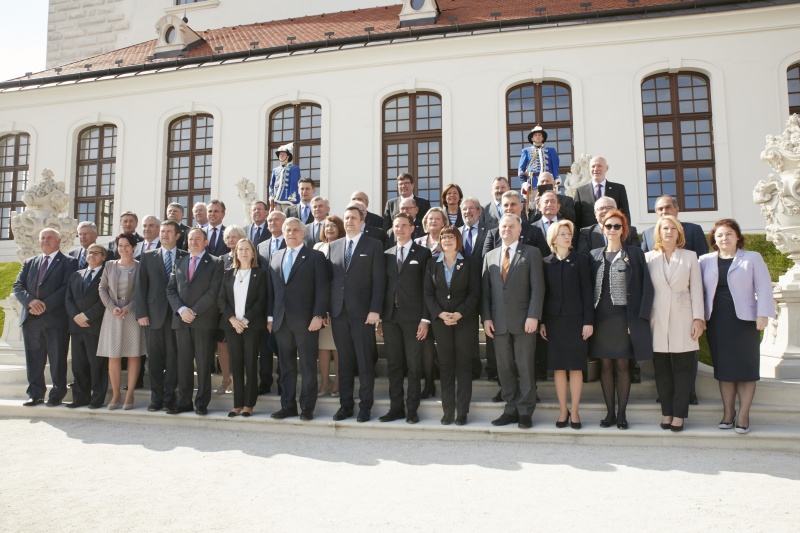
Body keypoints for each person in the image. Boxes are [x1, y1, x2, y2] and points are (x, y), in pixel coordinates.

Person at [699, 219, 775, 434]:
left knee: (746, 368)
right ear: (714, 239)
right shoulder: (704, 260)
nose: (724, 238)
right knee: (725, 369)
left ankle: (743, 414)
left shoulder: (752, 258)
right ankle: (728, 412)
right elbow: (699, 292)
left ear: (738, 237)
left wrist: (764, 315)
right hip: (717, 321)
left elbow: (764, 287)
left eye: (729, 234)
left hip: (745, 320)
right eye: (720, 235)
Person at [589, 209, 654, 430]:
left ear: (623, 229)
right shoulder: (594, 254)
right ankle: (609, 413)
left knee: (623, 365)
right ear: (602, 229)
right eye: (609, 226)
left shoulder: (635, 254)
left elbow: (646, 288)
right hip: (601, 318)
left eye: (617, 226)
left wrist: (638, 320)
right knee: (605, 366)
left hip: (624, 318)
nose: (613, 230)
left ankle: (622, 414)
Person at [642, 194, 709, 404]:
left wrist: (699, 315)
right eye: (660, 209)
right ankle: (665, 394)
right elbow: (646, 278)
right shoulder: (646, 236)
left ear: (676, 209)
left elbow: (701, 272)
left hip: (683, 308)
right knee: (661, 357)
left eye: (667, 207)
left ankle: (688, 392)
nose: (664, 212)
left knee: (685, 355)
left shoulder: (693, 231)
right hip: (659, 310)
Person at [482, 215, 545, 429]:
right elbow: (486, 292)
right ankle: (510, 408)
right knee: (504, 367)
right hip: (498, 322)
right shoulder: (490, 256)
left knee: (525, 366)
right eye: (503, 226)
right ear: (498, 230)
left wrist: (534, 316)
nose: (507, 229)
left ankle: (525, 411)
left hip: (524, 320)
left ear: (520, 230)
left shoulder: (531, 252)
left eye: (511, 226)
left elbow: (538, 287)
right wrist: (487, 318)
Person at [267, 217, 330, 421]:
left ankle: (307, 407)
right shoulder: (275, 257)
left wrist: (318, 315)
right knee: (285, 367)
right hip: (281, 320)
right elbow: (272, 291)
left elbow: (322, 288)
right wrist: (270, 317)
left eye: (295, 230)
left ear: (303, 234)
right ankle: (288, 406)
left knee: (307, 365)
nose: (291, 233)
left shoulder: (315, 256)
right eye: (288, 230)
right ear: (283, 233)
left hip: (306, 320)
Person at [328, 205, 385, 422]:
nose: (349, 221)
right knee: (344, 361)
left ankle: (365, 406)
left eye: (353, 218)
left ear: (363, 221)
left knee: (363, 361)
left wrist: (375, 310)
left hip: (363, 313)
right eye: (346, 217)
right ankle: (345, 405)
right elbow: (331, 280)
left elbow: (379, 281)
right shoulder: (334, 246)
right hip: (338, 312)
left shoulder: (374, 245)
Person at [14, 229, 78, 407]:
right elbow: (18, 286)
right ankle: (35, 394)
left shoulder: (69, 262)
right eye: (42, 238)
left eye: (49, 238)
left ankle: (57, 394)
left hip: (55, 319)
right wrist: (30, 302)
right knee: (34, 358)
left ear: (59, 241)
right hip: (31, 319)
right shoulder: (29, 262)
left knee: (58, 359)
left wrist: (44, 305)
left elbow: (67, 287)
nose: (45, 241)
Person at [379, 213, 432, 424]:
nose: (399, 229)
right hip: (391, 318)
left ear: (412, 228)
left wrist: (425, 319)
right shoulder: (387, 254)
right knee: (394, 365)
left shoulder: (424, 253)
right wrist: (382, 319)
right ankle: (396, 408)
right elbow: (384, 288)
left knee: (413, 366)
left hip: (414, 319)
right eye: (396, 226)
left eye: (403, 225)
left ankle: (412, 409)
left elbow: (428, 289)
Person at [540, 220, 593, 429]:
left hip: (576, 320)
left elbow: (587, 293)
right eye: (562, 234)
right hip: (554, 321)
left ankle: (576, 411)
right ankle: (563, 410)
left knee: (576, 367)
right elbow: (543, 295)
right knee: (559, 368)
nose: (567, 237)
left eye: (568, 233)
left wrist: (588, 321)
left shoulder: (580, 260)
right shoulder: (545, 262)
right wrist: (543, 321)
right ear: (553, 238)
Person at [424, 225, 480, 426]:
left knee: (463, 366)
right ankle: (448, 411)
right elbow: (428, 293)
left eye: (451, 237)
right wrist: (439, 313)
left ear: (458, 240)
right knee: (446, 366)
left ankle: (462, 412)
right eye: (444, 237)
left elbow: (475, 292)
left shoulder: (471, 263)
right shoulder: (432, 263)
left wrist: (460, 313)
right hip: (442, 321)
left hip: (464, 320)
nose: (447, 240)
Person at [166, 227, 224, 415]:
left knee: (204, 363)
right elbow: (171, 290)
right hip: (181, 321)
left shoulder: (216, 263)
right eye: (191, 239)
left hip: (204, 321)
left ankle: (201, 403)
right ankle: (184, 402)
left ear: (206, 242)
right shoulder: (179, 262)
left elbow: (213, 291)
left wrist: (194, 311)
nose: (194, 242)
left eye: (198, 239)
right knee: (183, 364)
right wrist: (182, 310)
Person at [135, 220, 188, 412]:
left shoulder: (186, 256)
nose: (164, 234)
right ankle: (156, 398)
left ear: (177, 235)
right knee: (155, 359)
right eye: (162, 231)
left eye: (169, 231)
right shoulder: (148, 257)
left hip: (177, 316)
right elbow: (140, 287)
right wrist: (141, 313)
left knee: (174, 358)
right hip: (153, 316)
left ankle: (169, 397)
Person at [97, 233, 146, 410]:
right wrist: (112, 307)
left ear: (134, 247)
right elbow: (102, 289)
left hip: (132, 315)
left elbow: (142, 291)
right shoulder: (109, 265)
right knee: (114, 355)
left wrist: (128, 308)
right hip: (112, 315)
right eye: (120, 245)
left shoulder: (141, 266)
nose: (123, 248)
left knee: (133, 354)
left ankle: (130, 393)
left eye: (127, 245)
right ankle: (116, 394)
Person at [218, 239, 267, 417]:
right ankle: (237, 403)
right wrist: (232, 319)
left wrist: (245, 320)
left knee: (251, 364)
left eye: (247, 249)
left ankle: (249, 404)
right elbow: (221, 299)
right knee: (236, 365)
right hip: (232, 326)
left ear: (253, 253)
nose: (244, 252)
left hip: (251, 326)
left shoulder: (260, 274)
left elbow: (261, 300)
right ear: (236, 253)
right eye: (240, 249)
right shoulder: (228, 273)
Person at [64, 243, 108, 409]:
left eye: (97, 253)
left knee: (97, 364)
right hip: (76, 327)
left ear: (103, 257)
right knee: (79, 364)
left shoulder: (107, 275)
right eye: (90, 252)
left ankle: (97, 397)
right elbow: (68, 298)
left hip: (95, 326)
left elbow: (105, 300)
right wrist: (76, 316)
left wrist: (87, 316)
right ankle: (80, 397)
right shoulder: (77, 274)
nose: (92, 255)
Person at [414, 206, 448, 397]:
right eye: (430, 219)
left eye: (437, 219)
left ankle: (443, 376)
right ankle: (428, 382)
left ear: (444, 222)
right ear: (425, 223)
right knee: (425, 343)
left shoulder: (448, 241)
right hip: (419, 297)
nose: (433, 222)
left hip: (442, 298)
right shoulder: (416, 242)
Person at [255, 209, 287, 394]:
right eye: (270, 220)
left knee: (283, 345)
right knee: (264, 345)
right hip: (264, 301)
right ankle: (265, 381)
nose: (272, 223)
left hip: (284, 301)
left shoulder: (291, 241)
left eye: (276, 219)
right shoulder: (261, 246)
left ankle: (283, 381)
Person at [314, 215, 345, 397]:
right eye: (326, 226)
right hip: (321, 302)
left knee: (338, 345)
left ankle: (338, 382)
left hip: (338, 301)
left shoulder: (343, 245)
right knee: (323, 346)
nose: (329, 229)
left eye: (333, 226)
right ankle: (325, 381)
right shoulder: (318, 247)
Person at [214, 225, 247, 394]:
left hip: (245, 312)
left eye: (234, 236)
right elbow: (218, 286)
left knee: (243, 346)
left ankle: (243, 381)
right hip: (226, 311)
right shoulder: (222, 259)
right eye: (228, 237)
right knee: (222, 345)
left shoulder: (250, 256)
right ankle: (226, 380)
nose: (231, 240)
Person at [573, 156, 631, 230]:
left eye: (599, 166)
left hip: (613, 234)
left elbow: (625, 215)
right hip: (588, 237)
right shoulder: (580, 192)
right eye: (593, 166)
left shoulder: (619, 189)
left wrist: (625, 236)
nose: (596, 169)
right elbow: (577, 220)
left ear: (606, 168)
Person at [518, 124, 560, 190]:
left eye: (539, 135)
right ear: (532, 138)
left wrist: (556, 178)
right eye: (535, 135)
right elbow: (521, 169)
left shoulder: (551, 150)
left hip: (548, 182)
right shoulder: (526, 151)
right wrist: (523, 182)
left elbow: (555, 166)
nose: (538, 137)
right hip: (533, 183)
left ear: (543, 138)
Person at [269, 142, 301, 212]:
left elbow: (294, 183)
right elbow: (272, 185)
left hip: (287, 200)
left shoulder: (294, 168)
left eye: (283, 154)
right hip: (276, 201)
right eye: (280, 154)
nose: (281, 155)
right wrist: (271, 197)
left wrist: (292, 197)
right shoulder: (275, 170)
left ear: (288, 156)